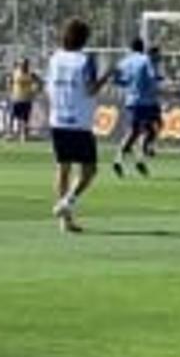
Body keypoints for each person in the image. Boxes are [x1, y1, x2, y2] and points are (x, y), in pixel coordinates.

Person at [48, 18, 111, 232]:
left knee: (63, 168)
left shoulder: (55, 58)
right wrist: (108, 75)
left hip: (58, 119)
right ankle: (67, 202)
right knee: (89, 170)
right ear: (84, 38)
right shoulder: (85, 60)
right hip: (80, 122)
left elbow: (50, 87)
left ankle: (65, 221)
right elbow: (90, 90)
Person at [111, 37, 163, 178]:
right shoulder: (145, 59)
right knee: (154, 127)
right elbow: (153, 77)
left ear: (130, 48)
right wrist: (161, 82)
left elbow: (116, 80)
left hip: (131, 101)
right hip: (147, 102)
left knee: (138, 131)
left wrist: (129, 84)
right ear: (142, 47)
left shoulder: (124, 61)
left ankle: (123, 159)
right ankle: (139, 156)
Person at [7, 58, 42, 142]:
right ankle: (10, 133)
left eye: (25, 64)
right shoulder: (15, 72)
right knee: (12, 117)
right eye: (22, 64)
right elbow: (9, 81)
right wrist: (10, 91)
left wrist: (35, 90)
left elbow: (39, 81)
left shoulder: (31, 74)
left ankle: (24, 135)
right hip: (16, 98)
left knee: (25, 119)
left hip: (26, 99)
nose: (23, 66)